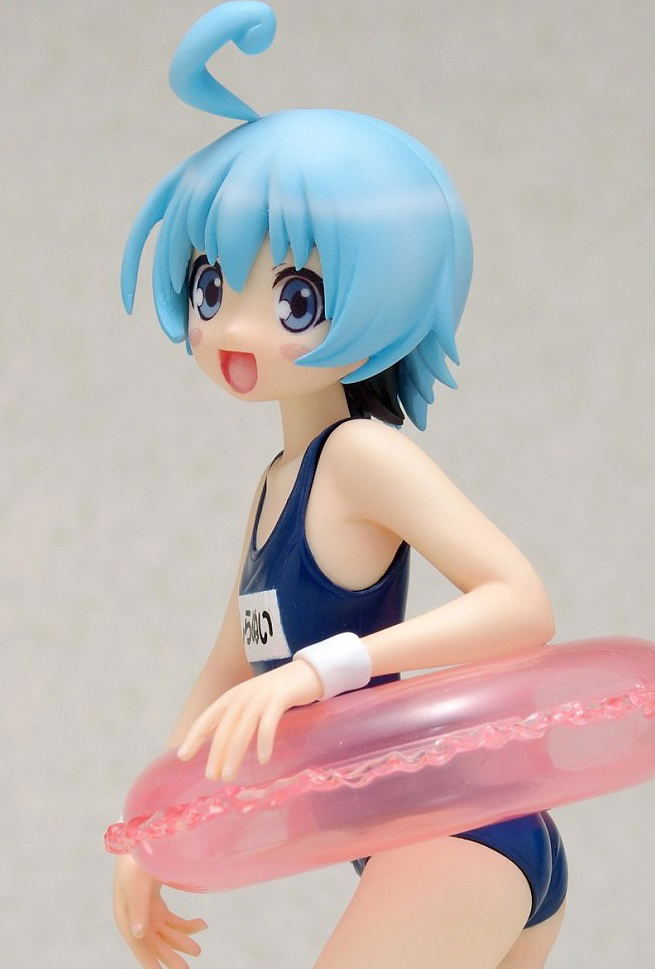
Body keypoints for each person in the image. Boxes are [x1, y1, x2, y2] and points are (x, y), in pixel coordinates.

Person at [113, 4, 567, 967]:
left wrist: (328, 669)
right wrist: (148, 830)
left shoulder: (362, 455)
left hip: (454, 829)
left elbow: (520, 604)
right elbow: (227, 668)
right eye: (210, 287)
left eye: (294, 299)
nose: (234, 329)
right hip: (410, 838)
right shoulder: (279, 482)